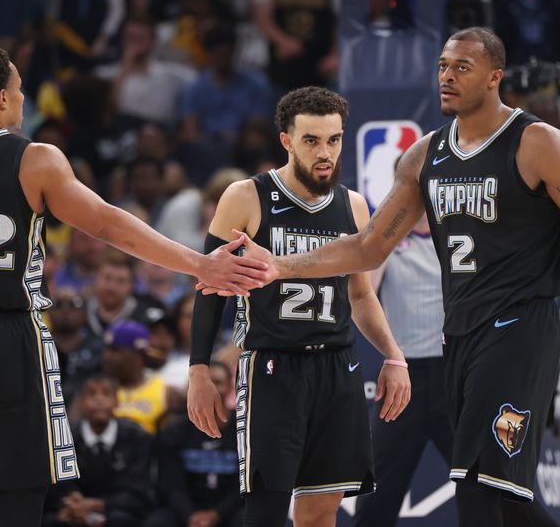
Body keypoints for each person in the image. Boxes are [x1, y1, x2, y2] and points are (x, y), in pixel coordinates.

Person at [206, 28, 560, 527]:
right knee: (509, 499)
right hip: (461, 339)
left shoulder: (540, 145)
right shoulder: (426, 155)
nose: (447, 77)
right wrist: (280, 265)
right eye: (443, 66)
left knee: (477, 490)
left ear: (495, 78)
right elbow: (368, 247)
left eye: (462, 68)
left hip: (521, 330)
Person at [0, 45, 266, 527]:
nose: (24, 102)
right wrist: (198, 264)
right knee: (21, 499)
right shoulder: (34, 160)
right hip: (10, 338)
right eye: (22, 92)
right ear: (3, 97)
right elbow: (109, 224)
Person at [188, 86, 411, 527]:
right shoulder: (245, 197)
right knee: (267, 512)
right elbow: (207, 286)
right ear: (286, 140)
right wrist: (198, 370)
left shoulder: (354, 206)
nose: (325, 152)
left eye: (334, 139)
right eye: (311, 140)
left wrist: (393, 354)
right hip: (272, 368)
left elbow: (361, 294)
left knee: (319, 513)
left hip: (337, 368)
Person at [352, 213, 452, 527]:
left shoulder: (452, 238)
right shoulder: (388, 244)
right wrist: (389, 236)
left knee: (482, 481)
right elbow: (363, 291)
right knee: (379, 487)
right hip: (403, 378)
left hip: (450, 375)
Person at [43, 374, 154, 527]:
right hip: (74, 511)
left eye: (106, 393)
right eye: (91, 393)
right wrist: (72, 503)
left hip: (119, 512)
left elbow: (138, 490)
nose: (99, 399)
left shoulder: (137, 437)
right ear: (80, 402)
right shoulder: (64, 438)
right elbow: (58, 486)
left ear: (117, 401)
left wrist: (97, 505)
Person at [153, 361, 243, 527]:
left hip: (231, 510)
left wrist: (216, 514)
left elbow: (244, 486)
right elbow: (171, 484)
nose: (210, 389)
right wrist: (191, 515)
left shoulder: (244, 430)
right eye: (205, 382)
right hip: (186, 509)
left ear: (230, 388)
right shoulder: (174, 431)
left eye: (217, 382)